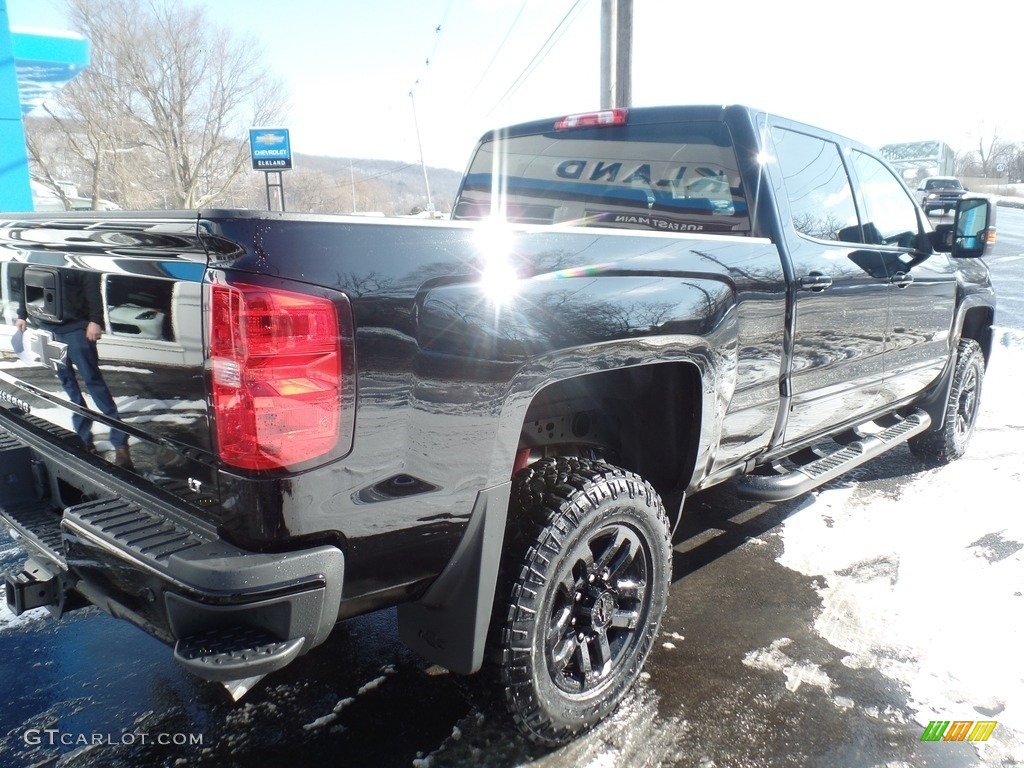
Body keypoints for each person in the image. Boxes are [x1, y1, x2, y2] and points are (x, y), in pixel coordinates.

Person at [16, 271, 133, 469]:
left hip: (77, 329)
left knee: (93, 382)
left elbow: (93, 291)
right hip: (48, 330)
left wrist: (95, 320)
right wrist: (22, 314)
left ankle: (121, 445)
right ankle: (84, 438)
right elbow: (28, 287)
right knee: (68, 385)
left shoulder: (73, 261)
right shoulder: (39, 255)